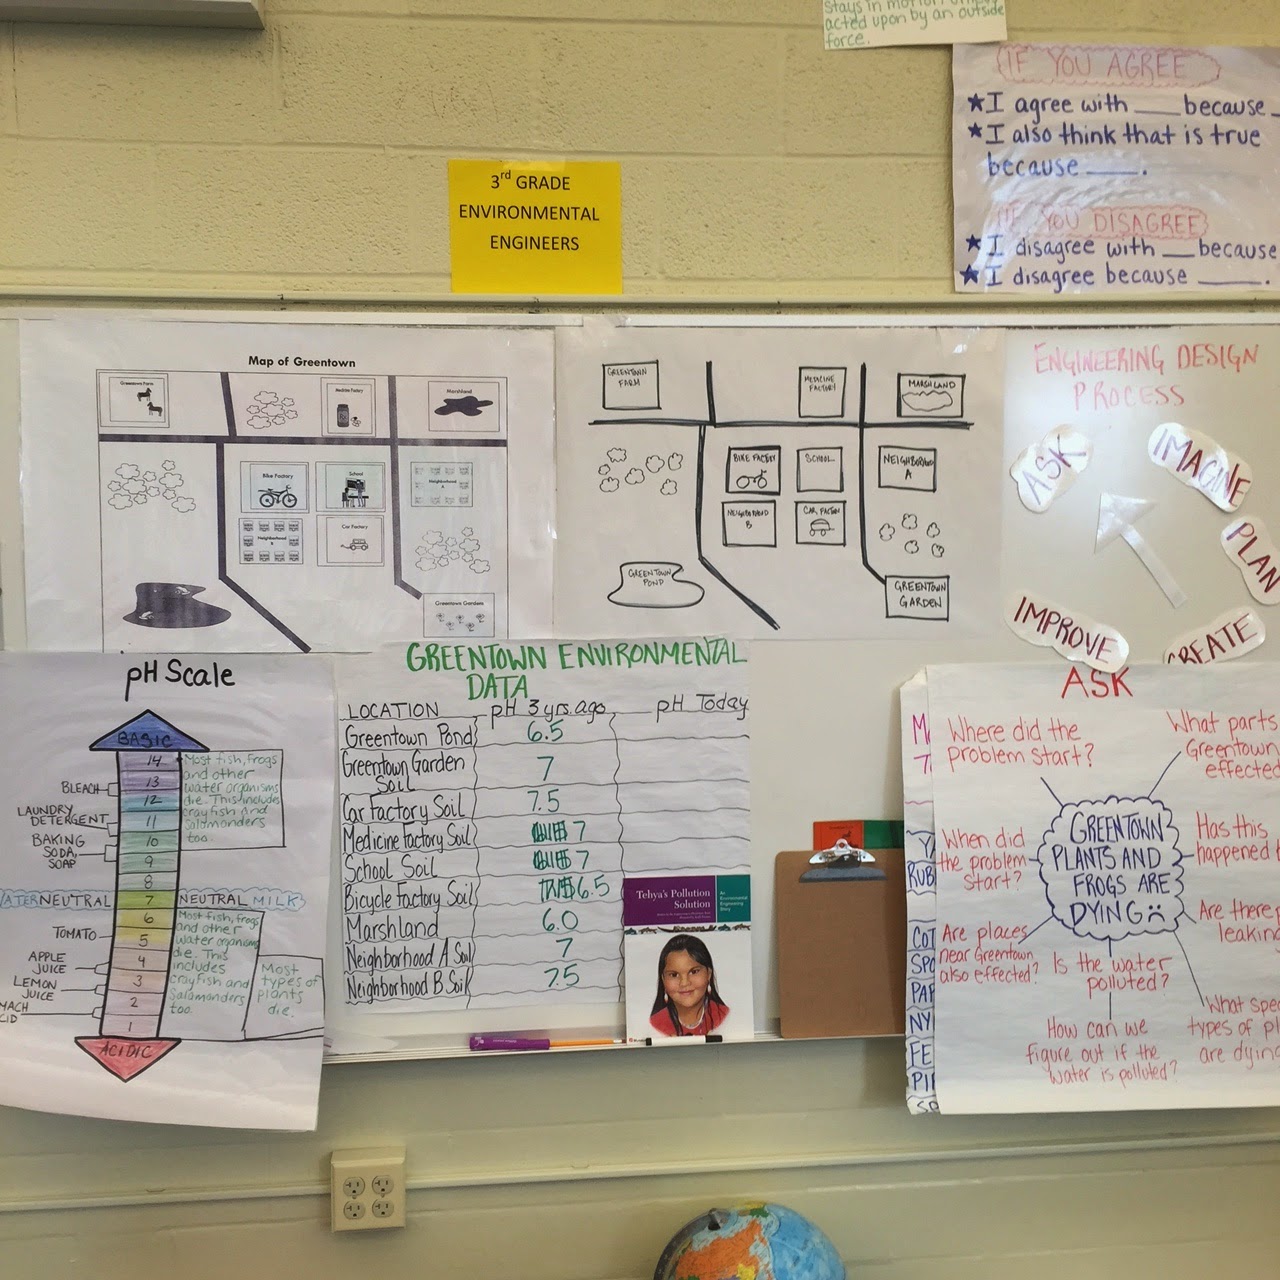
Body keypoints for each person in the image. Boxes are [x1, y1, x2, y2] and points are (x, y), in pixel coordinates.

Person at [648, 933, 730, 1037]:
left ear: (709, 974)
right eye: (674, 975)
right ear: (663, 979)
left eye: (694, 972)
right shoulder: (654, 1024)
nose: (684, 983)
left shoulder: (725, 1016)